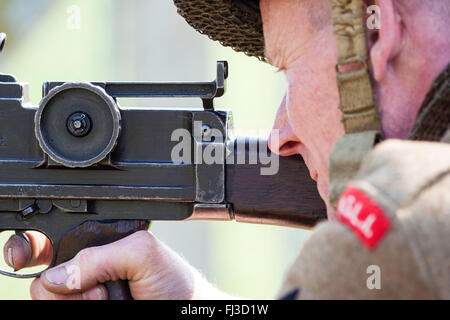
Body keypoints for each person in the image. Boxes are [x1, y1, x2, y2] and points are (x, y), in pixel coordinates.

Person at [3, 0, 449, 299]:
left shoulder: (408, 220)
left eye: (287, 69)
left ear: (376, 36)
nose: (280, 134)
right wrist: (193, 300)